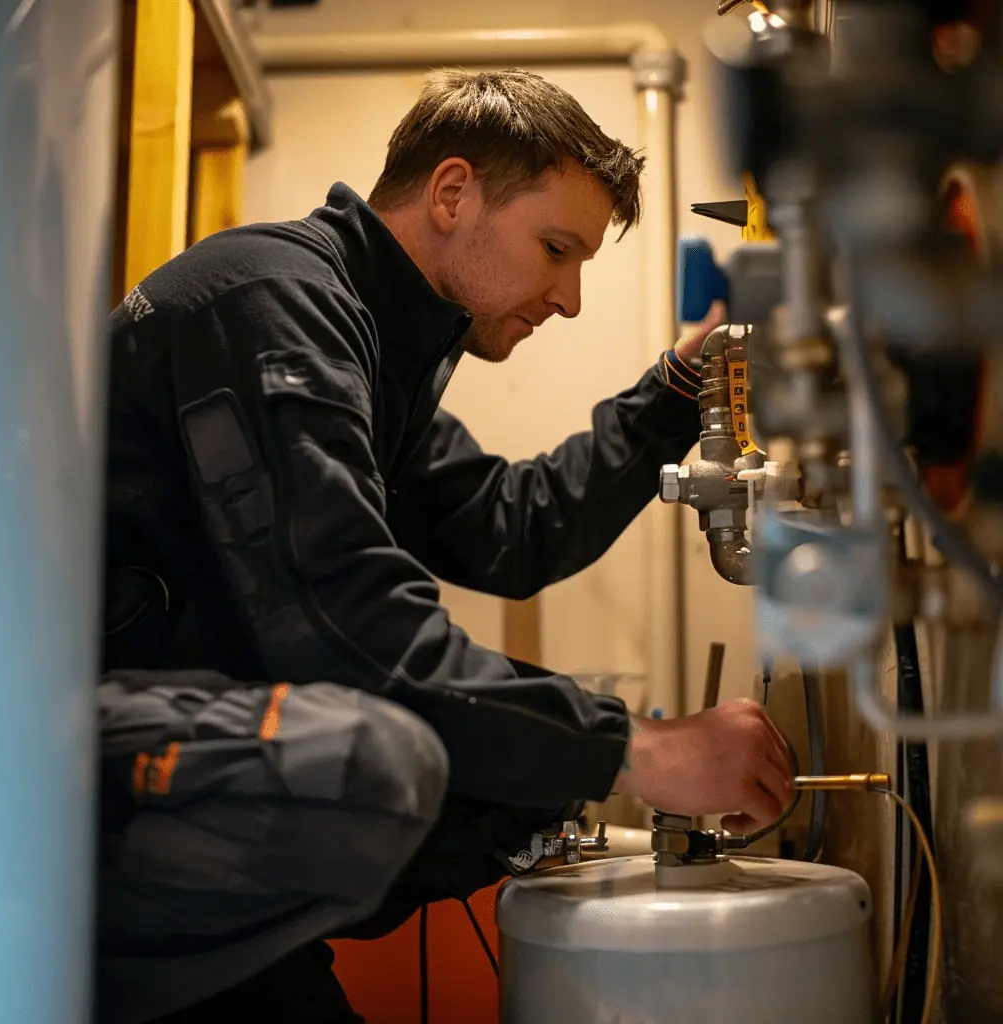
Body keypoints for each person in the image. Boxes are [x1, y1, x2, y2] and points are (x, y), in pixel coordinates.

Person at [97, 68, 793, 1023]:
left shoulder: (365, 338)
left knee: (515, 780)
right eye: (556, 249)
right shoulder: (272, 304)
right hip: (76, 808)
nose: (569, 297)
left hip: (173, 788)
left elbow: (511, 528)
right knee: (404, 758)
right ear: (453, 192)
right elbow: (346, 630)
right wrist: (636, 749)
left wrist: (679, 386)